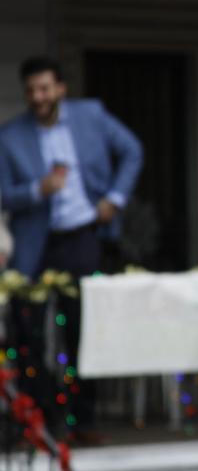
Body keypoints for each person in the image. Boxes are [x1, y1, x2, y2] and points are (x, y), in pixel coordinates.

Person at [0, 55, 143, 442]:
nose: (38, 96)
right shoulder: (11, 136)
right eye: (31, 90)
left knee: (83, 329)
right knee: (28, 333)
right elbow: (3, 194)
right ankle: (44, 415)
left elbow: (132, 149)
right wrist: (36, 190)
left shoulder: (91, 116)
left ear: (60, 88)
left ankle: (84, 419)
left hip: (82, 236)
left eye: (45, 88)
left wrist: (115, 197)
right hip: (35, 245)